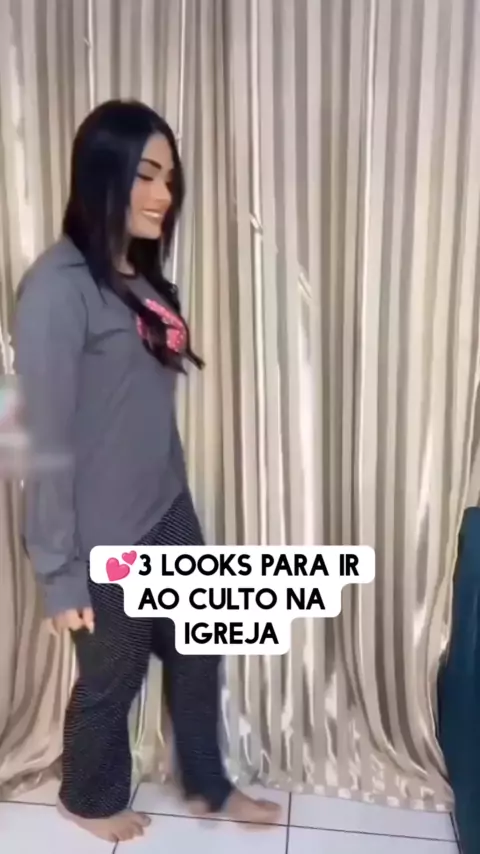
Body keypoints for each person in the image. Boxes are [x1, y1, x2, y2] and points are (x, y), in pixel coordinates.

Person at [13, 99, 281, 843]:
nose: (165, 194)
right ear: (102, 173)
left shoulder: (139, 279)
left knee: (199, 648)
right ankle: (85, 797)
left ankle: (207, 784)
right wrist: (59, 574)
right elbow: (37, 439)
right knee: (113, 676)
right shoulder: (55, 288)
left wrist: (180, 497)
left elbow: (145, 408)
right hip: (103, 533)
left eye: (170, 177)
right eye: (147, 174)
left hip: (166, 504)